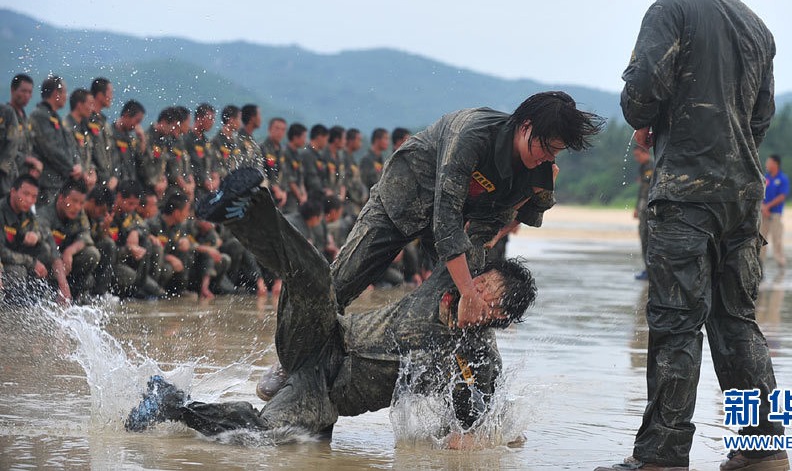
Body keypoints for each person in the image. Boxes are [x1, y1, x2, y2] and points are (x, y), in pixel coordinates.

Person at [125, 167, 537, 446]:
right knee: (319, 280)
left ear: (499, 316)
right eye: (479, 281)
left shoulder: (479, 355)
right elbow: (485, 221)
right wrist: (531, 184)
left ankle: (172, 403)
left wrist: (491, 439)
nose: (474, 289)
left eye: (486, 294)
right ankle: (245, 209)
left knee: (263, 436)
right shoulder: (454, 279)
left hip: (324, 396)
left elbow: (480, 424)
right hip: (321, 338)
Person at [597, 0, 786, 471]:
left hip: (684, 195)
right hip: (742, 200)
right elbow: (761, 118)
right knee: (736, 321)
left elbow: (640, 98)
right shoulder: (757, 27)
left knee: (676, 321)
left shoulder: (671, 9)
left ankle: (662, 456)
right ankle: (762, 450)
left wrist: (651, 121)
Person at [332, 91, 602, 327]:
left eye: (557, 152)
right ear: (526, 126)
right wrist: (468, 292)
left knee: (462, 306)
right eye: (546, 147)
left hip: (460, 219)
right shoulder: (472, 134)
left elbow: (504, 222)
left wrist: (470, 293)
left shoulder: (541, 166)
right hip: (402, 200)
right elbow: (445, 218)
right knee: (338, 286)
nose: (548, 157)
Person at [0, 174, 70, 305]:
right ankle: (9, 306)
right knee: (18, 272)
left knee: (45, 251)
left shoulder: (27, 214)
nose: (29, 200)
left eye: (33, 197)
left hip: (16, 258)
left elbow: (45, 236)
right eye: (26, 194)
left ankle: (34, 302)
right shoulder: (2, 212)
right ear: (13, 191)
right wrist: (32, 262)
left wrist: (63, 284)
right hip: (4, 264)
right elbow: (2, 251)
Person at [31, 75, 83, 206]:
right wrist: (71, 168)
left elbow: (70, 145)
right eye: (64, 92)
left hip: (60, 182)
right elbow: (51, 148)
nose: (66, 96)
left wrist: (77, 164)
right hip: (48, 184)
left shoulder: (55, 117)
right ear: (56, 93)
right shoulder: (40, 116)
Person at [0, 74, 42, 197]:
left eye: (29, 92)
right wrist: (27, 159)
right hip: (6, 176)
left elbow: (30, 147)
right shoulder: (5, 115)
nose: (27, 95)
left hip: (23, 177)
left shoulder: (26, 119)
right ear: (13, 90)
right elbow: (5, 148)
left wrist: (33, 167)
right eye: (23, 91)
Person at [760, 154, 789, 268]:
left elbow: (782, 196)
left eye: (769, 162)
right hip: (763, 214)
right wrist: (763, 207)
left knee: (777, 240)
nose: (766, 165)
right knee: (761, 240)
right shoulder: (765, 178)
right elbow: (760, 194)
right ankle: (760, 264)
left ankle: (781, 264)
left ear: (775, 164)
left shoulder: (782, 178)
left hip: (775, 214)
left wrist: (768, 207)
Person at [89, 77, 116, 190]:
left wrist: (114, 176)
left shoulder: (103, 122)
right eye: (110, 93)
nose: (111, 97)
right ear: (100, 95)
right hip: (93, 181)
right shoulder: (88, 119)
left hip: (107, 181)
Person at [632, 144, 653, 280]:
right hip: (643, 206)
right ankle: (648, 269)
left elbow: (647, 190)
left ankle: (650, 270)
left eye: (638, 155)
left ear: (645, 153)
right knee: (644, 236)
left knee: (647, 237)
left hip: (648, 207)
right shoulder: (644, 167)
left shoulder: (651, 166)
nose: (637, 158)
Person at [359, 127, 388, 195]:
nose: (387, 142)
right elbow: (364, 182)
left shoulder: (381, 159)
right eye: (385, 139)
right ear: (377, 140)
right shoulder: (367, 159)